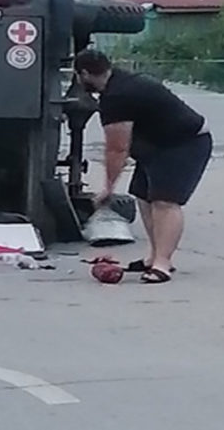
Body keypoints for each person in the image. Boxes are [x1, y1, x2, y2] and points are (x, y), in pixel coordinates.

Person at [74, 49, 212, 284]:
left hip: (185, 144)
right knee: (144, 196)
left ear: (84, 73)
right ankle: (153, 257)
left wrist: (108, 187)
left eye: (77, 76)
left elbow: (117, 148)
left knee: (165, 202)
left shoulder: (117, 96)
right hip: (158, 146)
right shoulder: (120, 81)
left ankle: (162, 264)